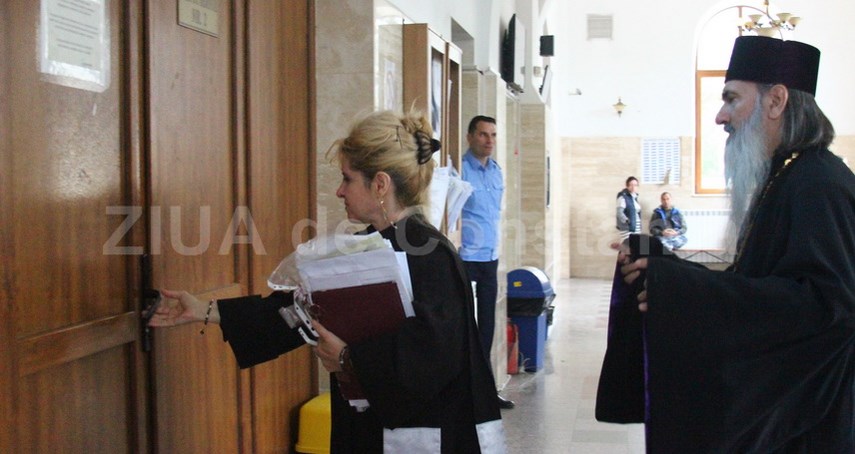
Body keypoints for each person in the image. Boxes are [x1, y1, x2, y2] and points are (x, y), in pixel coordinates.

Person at [149, 110, 506, 453]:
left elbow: (436, 355)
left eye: (348, 179)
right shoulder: (362, 247)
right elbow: (299, 312)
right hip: (367, 427)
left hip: (425, 434)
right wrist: (205, 310)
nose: (339, 191)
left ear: (380, 184)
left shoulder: (431, 254)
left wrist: (350, 359)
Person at [598, 36, 855, 452]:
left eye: (732, 99)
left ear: (776, 101)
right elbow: (755, 283)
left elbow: (826, 309)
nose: (720, 116)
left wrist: (682, 290)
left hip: (811, 423)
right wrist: (665, 265)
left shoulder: (818, 184)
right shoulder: (786, 176)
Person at [460, 115, 514, 410]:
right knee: (466, 330)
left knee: (487, 331)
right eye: (483, 134)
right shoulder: (460, 170)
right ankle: (464, 395)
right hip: (466, 259)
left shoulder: (496, 171)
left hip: (490, 260)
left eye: (493, 135)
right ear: (470, 136)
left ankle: (485, 393)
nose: (489, 140)